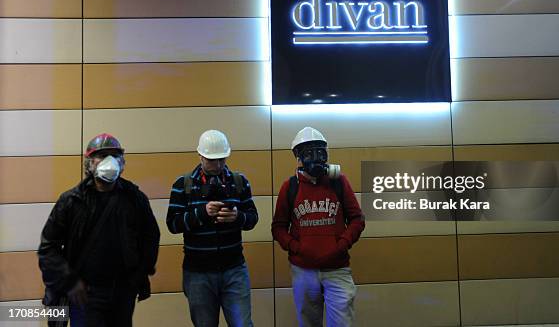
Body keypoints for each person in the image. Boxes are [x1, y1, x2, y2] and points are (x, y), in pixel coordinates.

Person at [38, 133, 161, 327]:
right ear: (89, 163)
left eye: (114, 156)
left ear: (122, 162)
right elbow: (48, 248)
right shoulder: (71, 201)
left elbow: (151, 236)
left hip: (122, 293)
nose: (109, 161)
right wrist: (70, 281)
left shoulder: (134, 198)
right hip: (85, 293)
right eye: (102, 156)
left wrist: (138, 275)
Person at [272, 127, 366, 327]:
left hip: (338, 269)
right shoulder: (290, 187)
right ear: (298, 157)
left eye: (320, 152)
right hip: (303, 270)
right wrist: (297, 248)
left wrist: (341, 245)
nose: (316, 158)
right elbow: (278, 227)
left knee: (342, 323)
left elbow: (357, 219)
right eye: (309, 152)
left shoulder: (339, 182)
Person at [166, 129, 258, 327]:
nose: (217, 165)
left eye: (222, 160)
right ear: (200, 156)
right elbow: (172, 224)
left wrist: (237, 217)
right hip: (198, 273)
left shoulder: (239, 182)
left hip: (234, 269)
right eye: (211, 160)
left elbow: (252, 219)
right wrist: (202, 213)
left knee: (243, 324)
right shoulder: (183, 185)